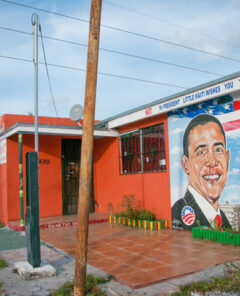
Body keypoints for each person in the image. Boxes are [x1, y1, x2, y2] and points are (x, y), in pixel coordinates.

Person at [172, 113, 232, 230]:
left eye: (218, 149)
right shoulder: (178, 212)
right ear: (185, 164)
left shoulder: (223, 219)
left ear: (227, 158)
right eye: (201, 152)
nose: (212, 161)